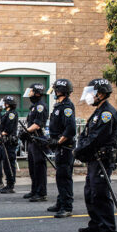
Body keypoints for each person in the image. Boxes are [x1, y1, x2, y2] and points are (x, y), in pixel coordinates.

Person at [75, 79, 117, 232]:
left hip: (102, 160)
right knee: (90, 193)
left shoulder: (107, 113)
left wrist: (79, 151)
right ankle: (95, 224)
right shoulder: (98, 111)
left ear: (100, 94)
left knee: (100, 195)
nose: (89, 96)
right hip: (94, 159)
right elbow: (87, 134)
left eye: (92, 93)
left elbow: (96, 138)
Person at [47, 79, 77, 217]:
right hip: (60, 146)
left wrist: (59, 142)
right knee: (60, 176)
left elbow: (70, 129)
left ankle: (67, 206)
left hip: (65, 147)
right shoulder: (58, 106)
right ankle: (61, 202)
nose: (53, 92)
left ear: (60, 91)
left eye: (55, 90)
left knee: (64, 177)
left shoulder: (66, 107)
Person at [20, 83, 49, 201]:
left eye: (31, 91)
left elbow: (37, 124)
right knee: (32, 167)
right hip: (32, 140)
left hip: (38, 139)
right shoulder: (34, 106)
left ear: (37, 93)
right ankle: (34, 190)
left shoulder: (40, 106)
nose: (30, 94)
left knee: (39, 167)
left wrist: (26, 131)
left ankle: (41, 193)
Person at [0, 95, 19, 194]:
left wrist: (0, 135)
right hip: (5, 142)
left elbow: (8, 129)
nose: (4, 104)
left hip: (9, 142)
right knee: (5, 164)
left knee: (9, 164)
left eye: (5, 102)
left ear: (8, 104)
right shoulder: (7, 113)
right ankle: (8, 183)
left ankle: (10, 185)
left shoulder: (12, 114)